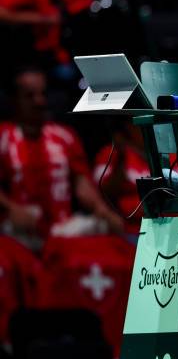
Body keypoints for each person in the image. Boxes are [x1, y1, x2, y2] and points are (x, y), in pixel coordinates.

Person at [0, 66, 124, 251]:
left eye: (43, 94)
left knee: (107, 230)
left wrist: (102, 210)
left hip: (62, 229)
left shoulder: (65, 136)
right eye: (30, 96)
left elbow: (82, 185)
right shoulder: (3, 136)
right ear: (14, 100)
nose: (39, 101)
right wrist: (10, 208)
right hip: (18, 230)